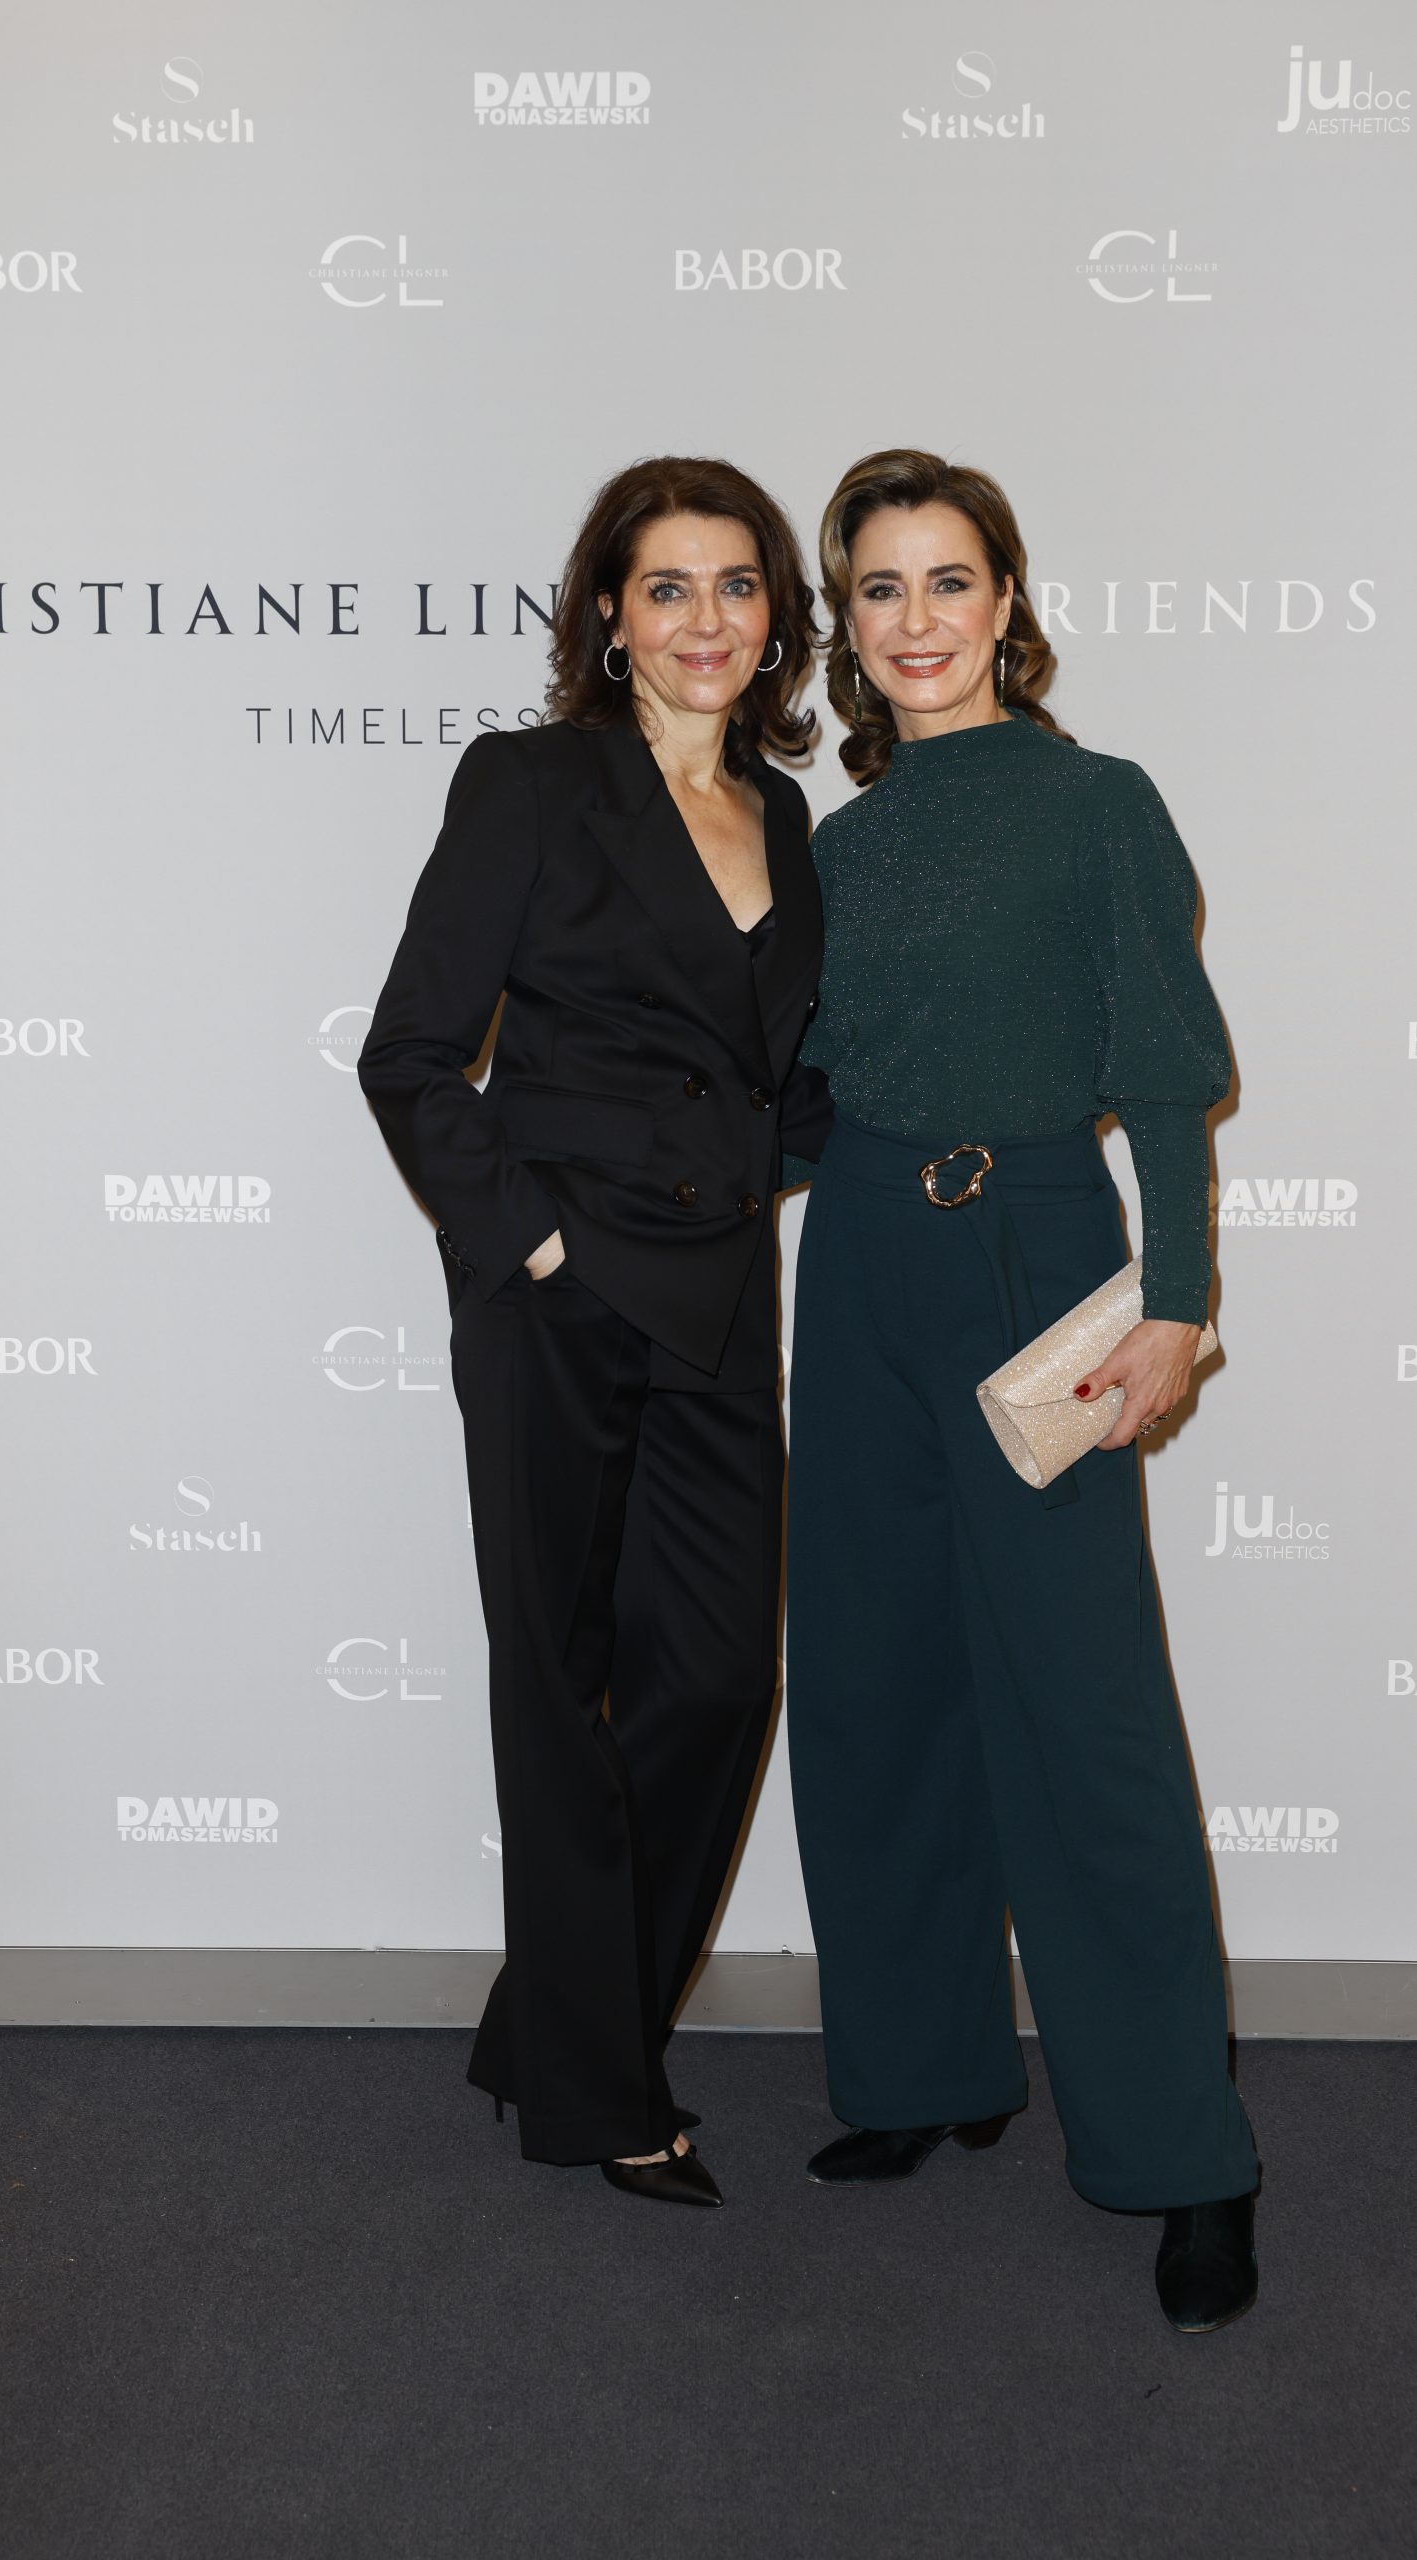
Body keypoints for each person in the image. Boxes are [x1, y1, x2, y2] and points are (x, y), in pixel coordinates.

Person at [782, 448, 1260, 2328]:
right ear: (847, 622)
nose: (917, 620)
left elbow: (1169, 1073)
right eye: (880, 587)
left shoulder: (1096, 804)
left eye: (948, 580)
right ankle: (925, 2073)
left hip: (1040, 1257)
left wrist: (1181, 1304)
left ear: (1007, 602)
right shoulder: (839, 844)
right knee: (874, 1681)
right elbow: (805, 1092)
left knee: (1085, 1710)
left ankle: (1186, 2157)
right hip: (863, 1261)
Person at [360, 457, 831, 2205]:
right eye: (669, 586)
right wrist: (534, 1241)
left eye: (737, 585)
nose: (707, 619)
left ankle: (551, 2029)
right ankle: (600, 2090)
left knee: (713, 1680)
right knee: (560, 1689)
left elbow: (778, 1082)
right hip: (558, 1298)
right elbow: (411, 1054)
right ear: (610, 617)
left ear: (776, 617)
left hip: (718, 1296)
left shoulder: (788, 814)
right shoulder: (536, 782)